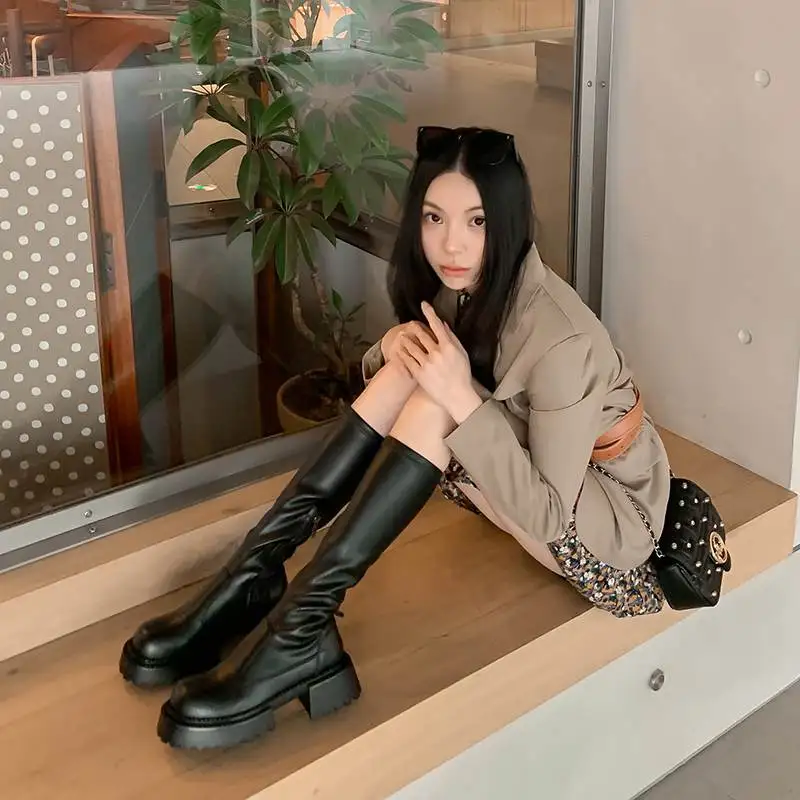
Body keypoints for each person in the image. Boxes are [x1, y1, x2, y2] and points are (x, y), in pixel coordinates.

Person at [119, 126, 671, 750]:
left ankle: (299, 631)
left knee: (440, 397)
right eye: (434, 218)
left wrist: (460, 396)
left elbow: (549, 515)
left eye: (477, 221)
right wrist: (390, 349)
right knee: (418, 361)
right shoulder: (475, 284)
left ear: (509, 222)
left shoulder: (560, 337)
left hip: (608, 535)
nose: (451, 244)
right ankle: (256, 575)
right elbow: (408, 384)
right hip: (533, 486)